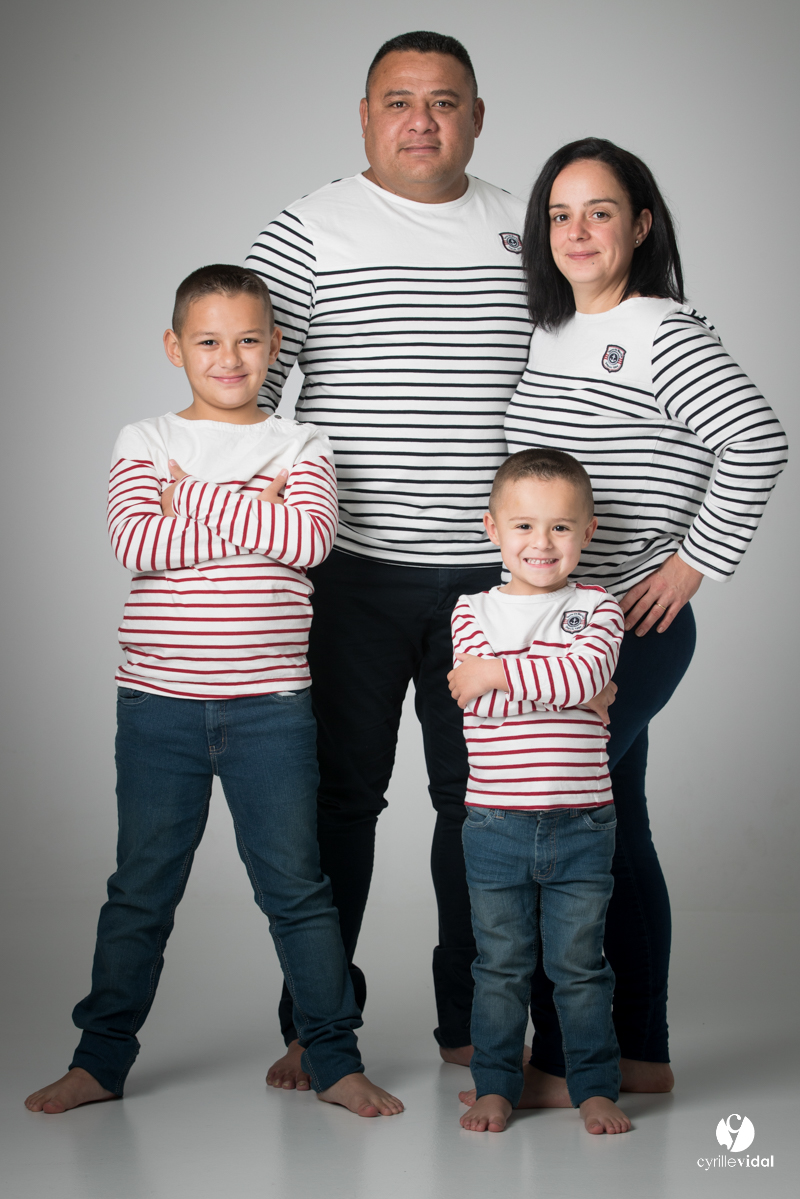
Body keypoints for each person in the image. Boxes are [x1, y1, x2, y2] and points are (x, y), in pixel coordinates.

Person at [24, 265, 403, 1119]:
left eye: (248, 340)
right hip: (158, 707)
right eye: (208, 341)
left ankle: (334, 1058)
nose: (229, 358)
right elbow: (135, 541)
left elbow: (307, 540)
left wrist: (190, 501)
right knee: (141, 889)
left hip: (271, 709)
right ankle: (100, 1059)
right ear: (175, 348)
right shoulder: (144, 438)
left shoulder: (302, 444)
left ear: (274, 346)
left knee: (297, 889)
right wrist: (248, 510)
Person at [245, 31, 531, 1087]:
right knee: (339, 803)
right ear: (364, 116)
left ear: (477, 116)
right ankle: (315, 1022)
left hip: (498, 583)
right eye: (398, 100)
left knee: (482, 808)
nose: (421, 120)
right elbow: (245, 385)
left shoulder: (526, 230)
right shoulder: (308, 229)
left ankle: (473, 1022)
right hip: (353, 573)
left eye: (444, 101)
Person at [500, 137, 788, 1106]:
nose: (576, 231)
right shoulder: (547, 330)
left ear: (641, 224)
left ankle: (558, 1062)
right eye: (559, 214)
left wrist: (694, 561)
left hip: (629, 627)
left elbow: (756, 438)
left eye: (599, 211)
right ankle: (640, 1053)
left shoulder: (661, 329)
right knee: (617, 840)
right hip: (561, 626)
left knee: (551, 827)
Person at [449, 448, 630, 1135]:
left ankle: (593, 1088)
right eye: (524, 525)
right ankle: (496, 1086)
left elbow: (580, 677)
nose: (542, 542)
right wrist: (571, 687)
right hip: (495, 823)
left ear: (587, 532)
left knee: (580, 967)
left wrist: (503, 672)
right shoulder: (472, 610)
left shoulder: (598, 606)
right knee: (500, 966)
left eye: (560, 527)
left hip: (583, 822)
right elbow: (479, 702)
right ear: (493, 528)